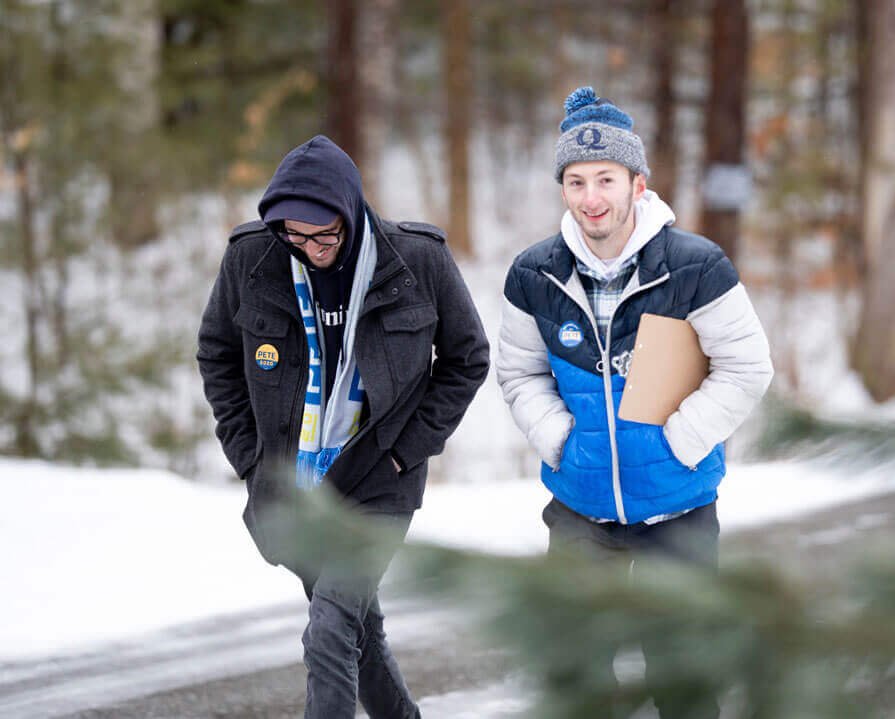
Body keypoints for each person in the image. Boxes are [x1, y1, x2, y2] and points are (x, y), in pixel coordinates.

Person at [496, 87, 773, 717]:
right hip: (578, 514)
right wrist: (561, 441)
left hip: (678, 513)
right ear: (561, 188)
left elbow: (747, 366)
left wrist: (680, 441)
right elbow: (518, 374)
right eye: (575, 181)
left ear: (637, 184)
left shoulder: (694, 266)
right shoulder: (533, 274)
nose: (591, 198)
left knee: (683, 685)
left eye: (605, 179)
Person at [197, 135, 489, 719]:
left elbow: (468, 357)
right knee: (359, 634)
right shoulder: (253, 259)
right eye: (293, 236)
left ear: (349, 212)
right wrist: (251, 458)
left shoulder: (417, 261)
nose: (308, 249)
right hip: (295, 485)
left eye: (323, 234)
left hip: (380, 478)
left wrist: (409, 451)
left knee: (329, 631)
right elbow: (217, 353)